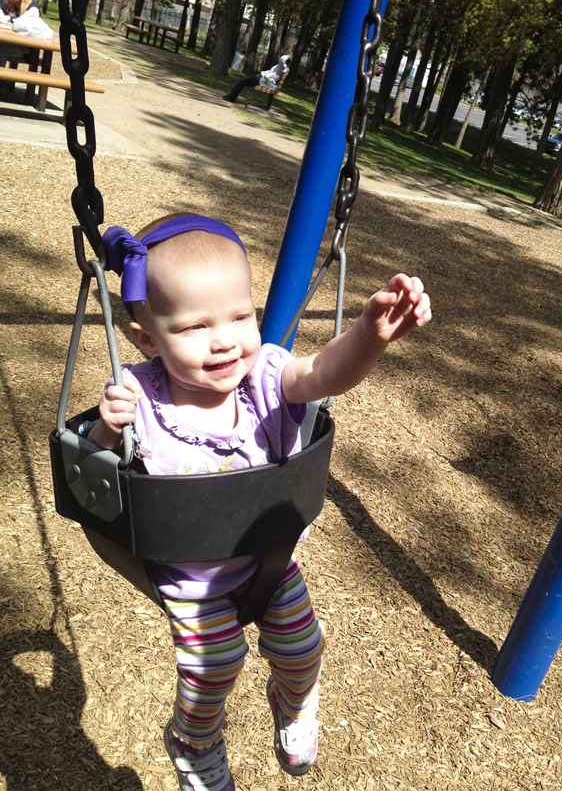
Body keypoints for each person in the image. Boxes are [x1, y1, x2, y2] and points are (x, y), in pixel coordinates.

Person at [85, 213, 432, 791]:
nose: (225, 340)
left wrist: (369, 337)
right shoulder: (137, 396)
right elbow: (95, 468)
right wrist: (105, 430)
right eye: (195, 327)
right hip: (190, 579)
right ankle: (193, 744)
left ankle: (294, 706)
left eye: (240, 316)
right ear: (148, 340)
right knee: (212, 671)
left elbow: (322, 372)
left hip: (269, 560)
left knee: (303, 649)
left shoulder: (265, 378)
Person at [0, 0, 39, 69]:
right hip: (8, 43)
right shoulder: (7, 3)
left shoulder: (32, 10)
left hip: (25, 51)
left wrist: (9, 18)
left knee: (2, 46)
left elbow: (27, 26)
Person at [223, 54, 291, 103]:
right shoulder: (285, 68)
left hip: (263, 78)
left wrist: (289, 56)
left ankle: (231, 97)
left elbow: (282, 58)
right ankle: (231, 96)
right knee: (244, 82)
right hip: (264, 79)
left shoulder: (283, 67)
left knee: (242, 81)